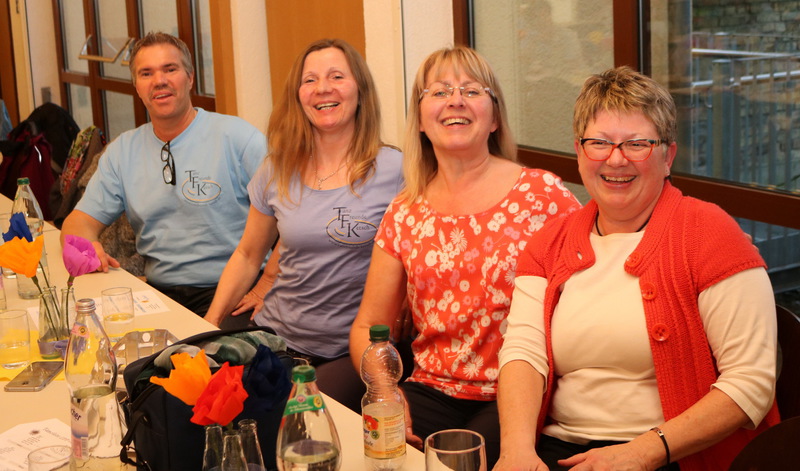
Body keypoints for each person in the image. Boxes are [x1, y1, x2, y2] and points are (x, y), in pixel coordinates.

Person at [494, 66, 780, 471]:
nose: (616, 159)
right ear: (579, 152)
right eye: (599, 143)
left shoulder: (711, 234)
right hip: (561, 450)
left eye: (637, 144)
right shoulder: (549, 244)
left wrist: (641, 453)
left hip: (672, 455)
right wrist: (517, 452)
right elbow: (524, 353)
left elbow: (752, 383)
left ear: (668, 156)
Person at [349, 46, 581, 467]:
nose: (455, 100)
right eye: (439, 92)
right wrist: (386, 391)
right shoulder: (404, 211)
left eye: (472, 90)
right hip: (429, 388)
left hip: (519, 388)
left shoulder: (543, 195)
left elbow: (590, 295)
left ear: (494, 118)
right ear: (421, 120)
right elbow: (368, 325)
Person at [204, 38, 403, 411]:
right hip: (274, 334)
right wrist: (209, 323)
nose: (323, 88)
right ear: (298, 96)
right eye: (310, 80)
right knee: (209, 403)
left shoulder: (396, 170)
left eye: (336, 76)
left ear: (360, 89)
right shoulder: (276, 168)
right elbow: (248, 254)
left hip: (347, 349)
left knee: (300, 419)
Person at [60, 32, 267, 320]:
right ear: (137, 86)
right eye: (146, 73)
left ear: (190, 78)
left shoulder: (239, 138)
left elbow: (294, 217)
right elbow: (77, 223)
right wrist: (88, 247)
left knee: (212, 348)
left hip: (235, 291)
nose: (159, 81)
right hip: (161, 294)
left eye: (170, 69)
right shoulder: (123, 151)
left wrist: (269, 282)